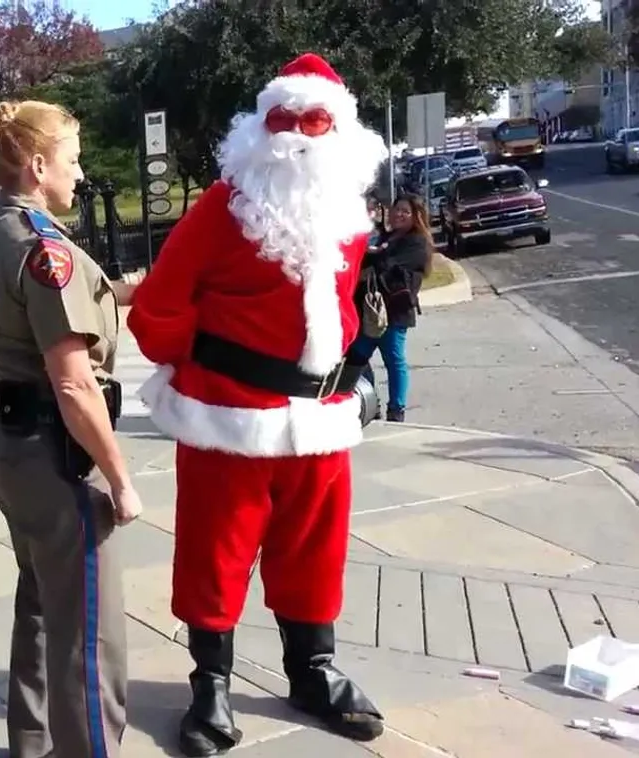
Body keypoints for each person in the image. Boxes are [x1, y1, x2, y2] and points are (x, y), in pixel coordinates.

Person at [127, 53, 390, 755]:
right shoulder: (222, 207)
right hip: (229, 417)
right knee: (215, 555)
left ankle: (312, 670)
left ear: (340, 132)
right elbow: (156, 308)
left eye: (314, 122)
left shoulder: (348, 211)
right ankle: (210, 687)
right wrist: (198, 368)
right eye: (284, 121)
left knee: (315, 551)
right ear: (258, 130)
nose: (298, 137)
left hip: (322, 417)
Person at [0, 99, 143, 758]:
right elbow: (71, 381)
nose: (79, 171)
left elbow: (44, 306)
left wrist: (123, 292)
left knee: (42, 601)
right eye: (71, 158)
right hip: (52, 453)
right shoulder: (43, 248)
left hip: (4, 440)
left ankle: (35, 744)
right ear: (38, 165)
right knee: (90, 637)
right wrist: (121, 480)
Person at [349, 194, 434, 422]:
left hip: (394, 311)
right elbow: (365, 262)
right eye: (397, 210)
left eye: (405, 211)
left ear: (415, 216)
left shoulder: (417, 242)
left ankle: (396, 409)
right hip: (370, 310)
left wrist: (377, 253)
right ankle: (369, 402)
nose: (399, 214)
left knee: (393, 359)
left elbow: (388, 265)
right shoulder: (383, 237)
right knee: (356, 358)